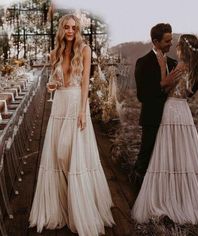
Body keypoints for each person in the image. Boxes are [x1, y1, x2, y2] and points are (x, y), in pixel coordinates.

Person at [29, 14, 114, 235]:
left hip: (76, 103)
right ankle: (64, 205)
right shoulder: (55, 53)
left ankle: (80, 205)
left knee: (70, 153)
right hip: (59, 104)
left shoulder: (84, 50)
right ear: (61, 29)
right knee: (58, 155)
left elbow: (85, 82)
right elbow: (54, 80)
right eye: (66, 27)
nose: (69, 31)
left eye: (73, 28)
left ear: (77, 30)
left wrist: (83, 112)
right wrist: (51, 84)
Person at [132, 34, 198, 225]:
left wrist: (160, 69)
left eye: (178, 45)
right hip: (183, 110)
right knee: (183, 152)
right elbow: (189, 92)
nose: (175, 47)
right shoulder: (194, 68)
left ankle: (167, 199)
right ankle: (184, 197)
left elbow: (164, 88)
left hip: (172, 108)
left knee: (168, 152)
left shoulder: (180, 66)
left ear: (182, 48)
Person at [133, 23, 194, 186]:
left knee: (169, 157)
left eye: (171, 39)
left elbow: (182, 91)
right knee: (146, 155)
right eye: (167, 41)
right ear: (155, 41)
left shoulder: (174, 63)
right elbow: (142, 96)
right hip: (152, 118)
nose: (171, 43)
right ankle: (136, 189)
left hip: (172, 118)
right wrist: (162, 84)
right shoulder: (143, 62)